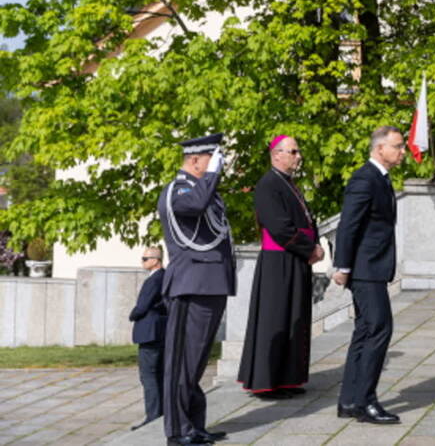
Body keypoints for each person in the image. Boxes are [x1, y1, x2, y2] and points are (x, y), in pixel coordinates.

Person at [158, 133, 235, 446]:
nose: (217, 165)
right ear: (195, 160)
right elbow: (195, 205)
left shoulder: (206, 192)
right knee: (182, 363)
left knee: (198, 361)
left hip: (211, 283)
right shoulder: (179, 190)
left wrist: (213, 176)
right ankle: (178, 430)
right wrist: (214, 174)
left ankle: (194, 424)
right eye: (211, 159)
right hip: (190, 285)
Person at [237, 135, 325, 398]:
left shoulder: (288, 183)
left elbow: (307, 220)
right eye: (294, 151)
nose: (299, 156)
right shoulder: (268, 184)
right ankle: (267, 382)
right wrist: (310, 248)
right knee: (275, 320)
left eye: (298, 151)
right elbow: (278, 227)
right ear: (277, 155)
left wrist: (315, 246)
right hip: (279, 263)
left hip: (295, 260)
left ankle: (287, 378)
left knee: (294, 320)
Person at [332, 126, 404, 425]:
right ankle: (365, 401)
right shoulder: (366, 178)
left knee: (365, 331)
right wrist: (343, 266)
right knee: (379, 328)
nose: (402, 152)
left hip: (371, 267)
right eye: (397, 146)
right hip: (364, 269)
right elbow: (349, 224)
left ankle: (350, 400)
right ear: (379, 149)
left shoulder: (380, 178)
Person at [129, 245, 167, 430]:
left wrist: (133, 315)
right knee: (158, 375)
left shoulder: (154, 280)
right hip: (160, 332)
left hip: (150, 334)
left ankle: (153, 416)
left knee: (149, 376)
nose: (142, 262)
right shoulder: (165, 276)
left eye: (145, 259)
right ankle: (160, 414)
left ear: (155, 260)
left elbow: (143, 306)